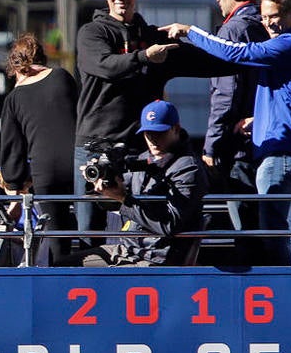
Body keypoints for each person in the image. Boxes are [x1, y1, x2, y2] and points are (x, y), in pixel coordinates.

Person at [165, 0, 291, 266]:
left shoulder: (286, 45)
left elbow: (237, 52)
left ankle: (280, 289)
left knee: (271, 231)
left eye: (275, 16)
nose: (268, 22)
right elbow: (290, 99)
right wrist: (258, 120)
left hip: (280, 153)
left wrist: (191, 32)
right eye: (264, 16)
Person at [74, 0, 228, 244]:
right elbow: (106, 66)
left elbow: (211, 62)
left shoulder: (153, 39)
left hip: (141, 148)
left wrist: (259, 51)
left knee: (143, 229)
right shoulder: (91, 34)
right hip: (95, 145)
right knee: (91, 232)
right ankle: (93, 283)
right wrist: (145, 57)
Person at [64, 100, 209, 267]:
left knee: (91, 275)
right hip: (129, 249)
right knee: (63, 268)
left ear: (175, 128)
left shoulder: (188, 168)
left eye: (159, 132)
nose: (153, 140)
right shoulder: (143, 159)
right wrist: (102, 182)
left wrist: (123, 198)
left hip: (156, 256)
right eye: (148, 133)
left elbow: (169, 224)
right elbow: (112, 202)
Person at [205, 0, 268, 259]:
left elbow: (225, 92)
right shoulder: (267, 26)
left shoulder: (233, 29)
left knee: (244, 230)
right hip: (269, 141)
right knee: (270, 227)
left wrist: (212, 143)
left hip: (240, 146)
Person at [0, 32, 79, 265]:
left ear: (14, 67)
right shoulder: (63, 76)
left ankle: (62, 285)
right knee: (88, 230)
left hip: (46, 171)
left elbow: (12, 149)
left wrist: (15, 183)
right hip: (77, 164)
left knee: (57, 238)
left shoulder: (14, 98)